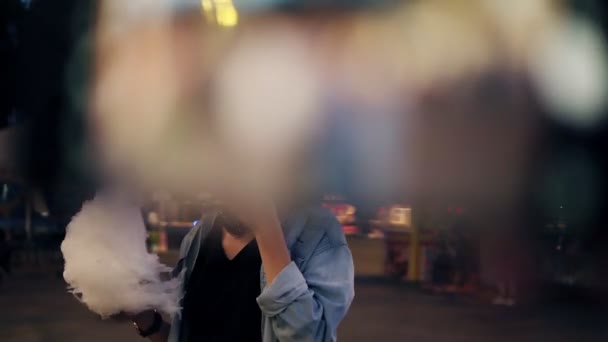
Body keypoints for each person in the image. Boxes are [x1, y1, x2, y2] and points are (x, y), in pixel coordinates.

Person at [127, 202, 355, 342]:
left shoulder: (318, 232)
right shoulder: (200, 235)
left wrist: (266, 227)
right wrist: (147, 320)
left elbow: (308, 338)